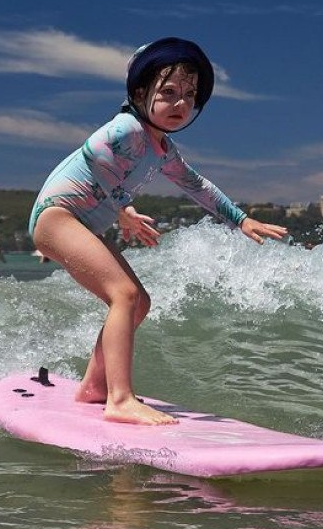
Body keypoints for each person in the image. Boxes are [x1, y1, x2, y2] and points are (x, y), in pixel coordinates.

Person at [29, 37, 287, 425]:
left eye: (189, 95)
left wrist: (240, 219)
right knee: (124, 294)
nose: (180, 104)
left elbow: (197, 186)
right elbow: (96, 150)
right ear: (139, 92)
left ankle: (94, 388)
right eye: (168, 92)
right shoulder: (127, 129)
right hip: (58, 216)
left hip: (79, 223)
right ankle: (119, 399)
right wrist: (123, 207)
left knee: (139, 302)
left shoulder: (163, 150)